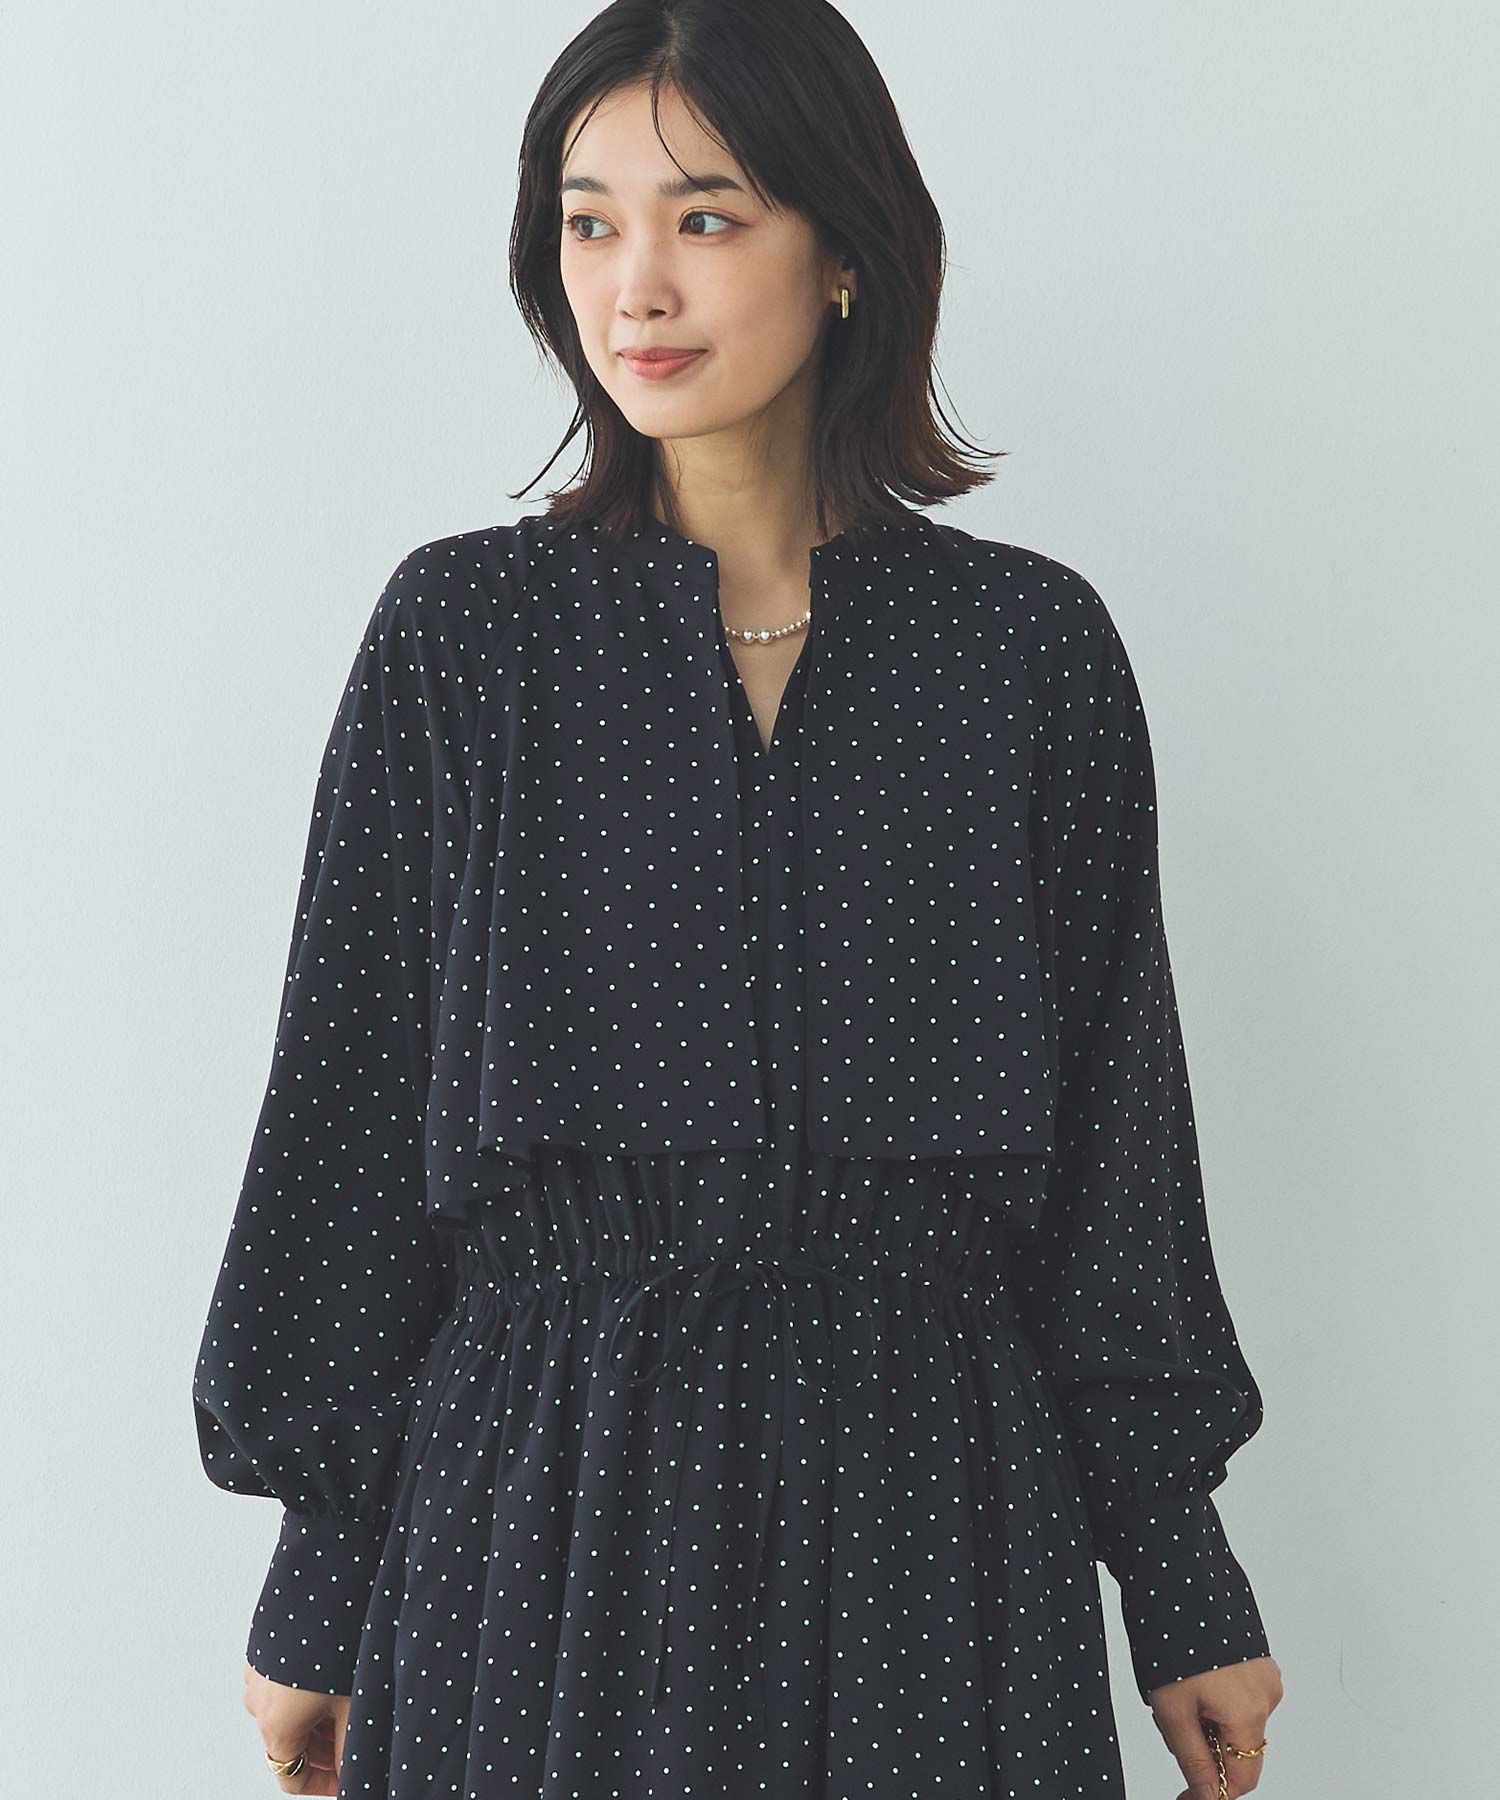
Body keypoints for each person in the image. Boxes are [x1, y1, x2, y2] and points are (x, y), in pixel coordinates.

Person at [192, 3, 1283, 1795]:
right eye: (588, 222)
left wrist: (1179, 1578)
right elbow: (350, 1112)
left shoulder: (1024, 652)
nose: (636, 287)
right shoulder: (465, 638)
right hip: (535, 1527)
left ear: (847, 250)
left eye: (705, 216)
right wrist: (320, 1585)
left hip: (936, 1517)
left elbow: (1119, 1155)